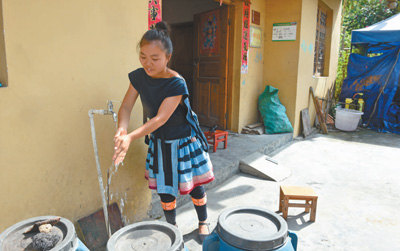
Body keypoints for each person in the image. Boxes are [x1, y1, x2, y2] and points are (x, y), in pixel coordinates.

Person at [113, 21, 214, 241]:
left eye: (155, 58)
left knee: (194, 186)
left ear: (168, 57)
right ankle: (172, 228)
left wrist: (131, 137)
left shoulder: (177, 83)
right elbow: (126, 106)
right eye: (143, 57)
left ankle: (203, 221)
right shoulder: (138, 77)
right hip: (160, 143)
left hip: (183, 141)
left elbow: (160, 118)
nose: (147, 63)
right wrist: (122, 130)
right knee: (165, 191)